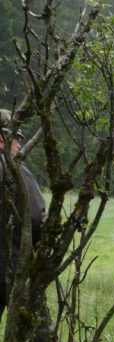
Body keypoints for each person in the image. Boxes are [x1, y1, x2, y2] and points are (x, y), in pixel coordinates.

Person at [0, 108, 45, 325]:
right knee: (36, 331)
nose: (19, 144)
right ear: (3, 137)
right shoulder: (14, 170)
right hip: (13, 268)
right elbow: (36, 218)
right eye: (16, 137)